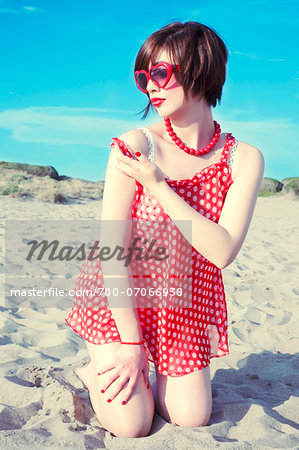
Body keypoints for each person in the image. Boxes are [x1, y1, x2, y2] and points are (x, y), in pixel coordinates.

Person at [65, 21, 264, 438]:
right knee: (133, 424)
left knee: (191, 418)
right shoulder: (136, 144)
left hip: (185, 306)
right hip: (121, 300)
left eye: (160, 73)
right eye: (143, 76)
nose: (150, 86)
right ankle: (93, 368)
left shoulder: (243, 159)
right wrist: (131, 344)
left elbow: (222, 251)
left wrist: (158, 185)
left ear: (200, 70)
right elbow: (112, 251)